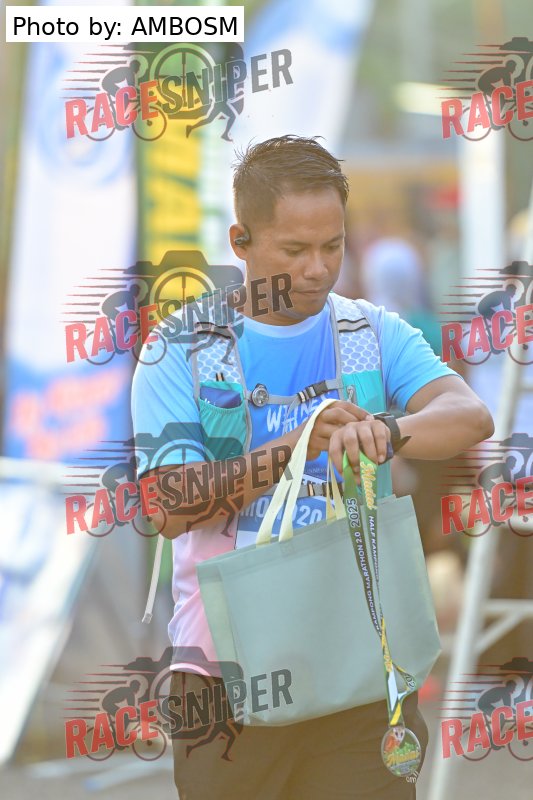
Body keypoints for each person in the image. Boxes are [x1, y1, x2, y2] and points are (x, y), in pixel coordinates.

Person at [131, 135, 494, 799]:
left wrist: (386, 430)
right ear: (240, 241)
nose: (318, 269)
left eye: (333, 246)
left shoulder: (370, 330)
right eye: (294, 250)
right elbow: (167, 505)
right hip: (227, 683)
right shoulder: (180, 348)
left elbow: (469, 416)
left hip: (361, 670)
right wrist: (294, 448)